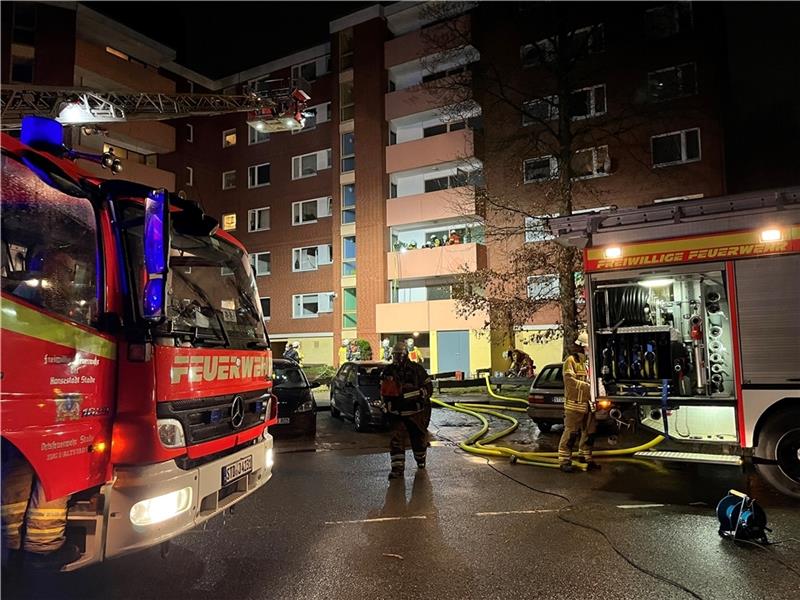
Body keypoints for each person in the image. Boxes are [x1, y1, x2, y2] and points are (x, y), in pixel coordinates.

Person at [1, 446, 79, 568]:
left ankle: (12, 546)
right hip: (54, 438)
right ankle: (43, 547)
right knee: (55, 467)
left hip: (8, 550)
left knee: (18, 465)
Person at [380, 342, 433, 479]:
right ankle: (397, 469)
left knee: (418, 439)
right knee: (396, 441)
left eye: (399, 355)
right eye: (395, 355)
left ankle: (420, 460)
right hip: (397, 413)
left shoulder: (416, 369)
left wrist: (419, 393)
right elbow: (382, 389)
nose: (396, 358)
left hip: (415, 412)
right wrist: (386, 404)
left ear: (405, 355)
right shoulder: (388, 371)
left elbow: (428, 387)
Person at [557, 332, 600, 472]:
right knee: (571, 433)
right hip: (575, 404)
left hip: (589, 405)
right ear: (581, 347)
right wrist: (589, 386)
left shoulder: (591, 362)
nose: (590, 350)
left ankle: (585, 457)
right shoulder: (571, 361)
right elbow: (569, 382)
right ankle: (564, 460)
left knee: (589, 432)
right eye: (588, 347)